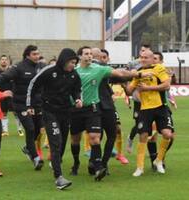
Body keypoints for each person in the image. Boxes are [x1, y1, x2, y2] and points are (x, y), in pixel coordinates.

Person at [69, 46, 151, 181]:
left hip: (104, 106)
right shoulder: (76, 70)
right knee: (83, 137)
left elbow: (120, 75)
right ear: (80, 56)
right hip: (84, 108)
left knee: (110, 133)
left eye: (96, 55)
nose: (93, 57)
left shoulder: (101, 69)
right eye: (90, 54)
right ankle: (84, 162)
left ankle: (101, 164)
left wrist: (135, 75)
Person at [27, 48, 82, 190]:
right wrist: (30, 104)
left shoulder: (74, 75)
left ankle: (55, 162)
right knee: (56, 141)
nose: (73, 65)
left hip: (65, 112)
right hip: (49, 111)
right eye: (71, 62)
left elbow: (77, 89)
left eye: (75, 63)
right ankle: (59, 177)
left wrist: (77, 99)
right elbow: (33, 84)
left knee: (62, 142)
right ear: (64, 60)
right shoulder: (49, 71)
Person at [0, 45, 45, 170]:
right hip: (21, 103)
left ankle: (28, 148)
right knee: (30, 128)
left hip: (37, 104)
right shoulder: (19, 67)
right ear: (27, 55)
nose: (37, 56)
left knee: (38, 130)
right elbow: (4, 77)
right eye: (34, 54)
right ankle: (35, 158)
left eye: (38, 54)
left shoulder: (41, 66)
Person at [126, 50, 175, 177]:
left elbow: (166, 85)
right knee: (143, 135)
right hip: (145, 109)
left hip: (160, 107)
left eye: (146, 57)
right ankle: (140, 167)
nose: (143, 59)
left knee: (167, 134)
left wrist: (148, 88)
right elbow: (129, 91)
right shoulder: (139, 72)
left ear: (153, 59)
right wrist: (132, 79)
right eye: (141, 57)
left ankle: (158, 160)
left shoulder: (158, 68)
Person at [0, 55, 24, 137]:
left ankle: (20, 129)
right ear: (0, 61)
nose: (4, 61)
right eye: (2, 59)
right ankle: (5, 131)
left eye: (5, 59)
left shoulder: (12, 72)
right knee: (3, 113)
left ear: (8, 61)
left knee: (16, 113)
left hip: (12, 96)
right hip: (1, 96)